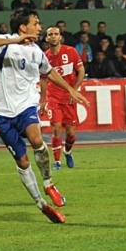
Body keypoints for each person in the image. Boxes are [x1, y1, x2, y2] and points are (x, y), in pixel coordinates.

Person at [0, 8, 89, 223]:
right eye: (35, 23)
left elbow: (49, 71)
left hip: (26, 106)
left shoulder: (37, 51)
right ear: (23, 27)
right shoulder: (5, 43)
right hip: (1, 112)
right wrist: (16, 40)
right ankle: (41, 204)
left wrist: (70, 88)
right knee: (23, 162)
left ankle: (48, 184)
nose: (40, 27)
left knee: (38, 141)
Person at [40, 26, 85, 170]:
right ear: (46, 38)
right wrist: (43, 100)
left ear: (60, 37)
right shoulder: (44, 57)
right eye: (50, 34)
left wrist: (74, 90)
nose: (53, 36)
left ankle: (68, 151)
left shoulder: (70, 51)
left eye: (56, 34)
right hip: (53, 97)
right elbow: (43, 80)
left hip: (68, 98)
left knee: (71, 134)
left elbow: (81, 71)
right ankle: (57, 161)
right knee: (56, 127)